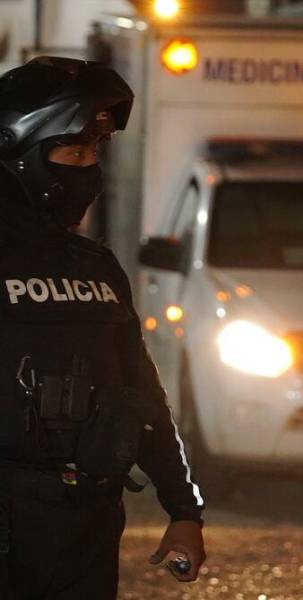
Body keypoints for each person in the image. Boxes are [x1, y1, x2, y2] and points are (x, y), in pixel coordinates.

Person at [0, 56, 206, 599]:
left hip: (85, 530)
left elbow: (142, 392)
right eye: (75, 153)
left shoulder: (96, 268)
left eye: (95, 153)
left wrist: (184, 509)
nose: (89, 170)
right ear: (20, 156)